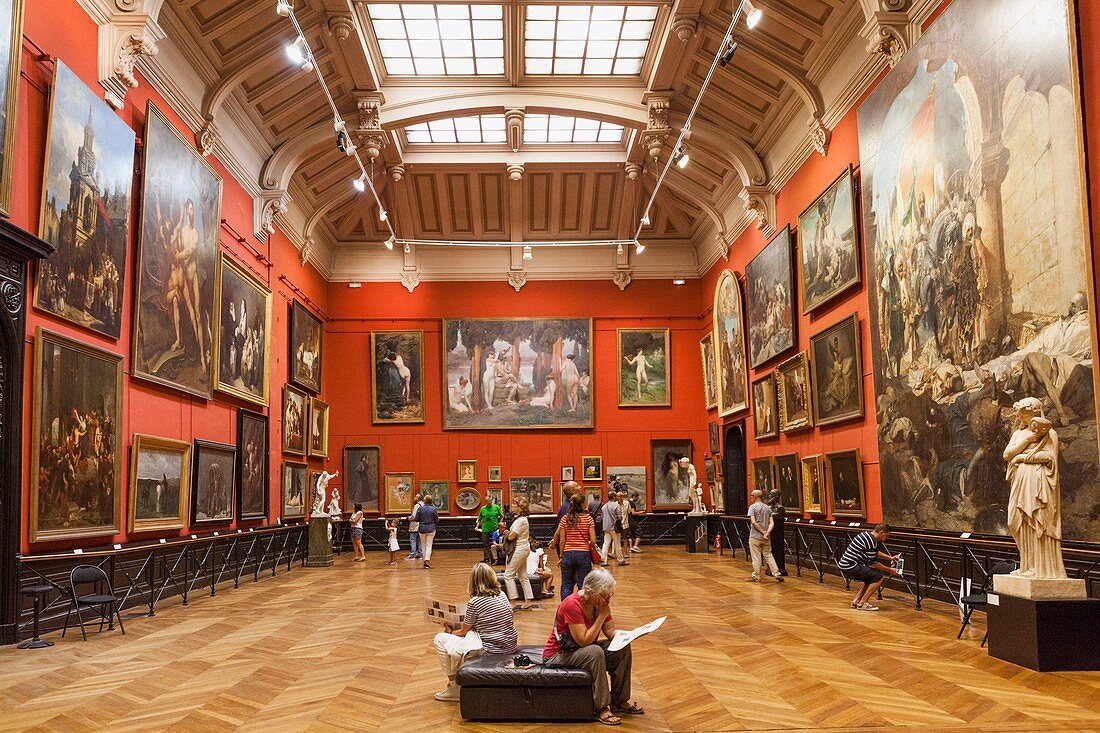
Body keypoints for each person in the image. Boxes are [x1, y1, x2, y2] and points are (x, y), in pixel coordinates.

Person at [543, 569, 644, 725]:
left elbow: (610, 632)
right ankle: (601, 708)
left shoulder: (599, 603)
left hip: (580, 650)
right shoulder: (572, 604)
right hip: (559, 654)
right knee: (595, 651)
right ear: (590, 591)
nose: (607, 600)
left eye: (610, 595)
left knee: (622, 648)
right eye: (604, 596)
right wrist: (602, 616)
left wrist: (631, 634)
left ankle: (619, 701)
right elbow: (583, 641)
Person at [432, 563, 518, 702]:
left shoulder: (475, 602)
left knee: (440, 639)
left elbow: (462, 632)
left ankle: (454, 687)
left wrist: (449, 631)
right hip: (509, 645)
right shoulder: (502, 595)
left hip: (491, 648)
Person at [1004, 398, 1066, 578]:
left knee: (1034, 521)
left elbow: (1051, 457)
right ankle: (1026, 563)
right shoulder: (1018, 434)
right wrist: (1028, 441)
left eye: (1020, 413)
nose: (1017, 417)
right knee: (1014, 521)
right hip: (1020, 480)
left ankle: (1039, 568)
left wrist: (1022, 458)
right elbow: (1007, 454)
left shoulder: (1050, 434)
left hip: (1038, 481)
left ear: (1031, 413)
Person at [838, 523, 901, 610]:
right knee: (879, 577)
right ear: (881, 532)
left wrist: (890, 558)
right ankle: (862, 603)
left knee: (870, 578)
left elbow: (874, 552)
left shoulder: (866, 535)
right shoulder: (871, 540)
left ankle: (856, 601)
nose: (886, 539)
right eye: (886, 536)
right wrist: (890, 570)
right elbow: (874, 563)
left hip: (845, 564)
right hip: (850, 566)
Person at [552, 493, 598, 599]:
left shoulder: (565, 519)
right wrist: (587, 545)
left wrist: (561, 557)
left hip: (567, 553)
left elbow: (562, 541)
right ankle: (581, 608)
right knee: (583, 585)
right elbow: (593, 541)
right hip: (583, 554)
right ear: (582, 504)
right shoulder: (588, 519)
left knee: (567, 584)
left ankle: (566, 608)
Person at [503, 496, 535, 607]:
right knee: (522, 575)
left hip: (519, 549)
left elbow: (511, 537)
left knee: (508, 575)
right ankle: (528, 600)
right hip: (523, 549)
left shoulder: (521, 520)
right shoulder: (521, 519)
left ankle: (513, 600)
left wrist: (506, 532)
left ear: (520, 507)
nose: (512, 506)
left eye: (514, 505)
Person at [746, 489, 783, 583]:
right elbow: (772, 523)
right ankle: (777, 573)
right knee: (769, 555)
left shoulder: (752, 507)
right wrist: (767, 533)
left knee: (756, 557)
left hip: (755, 536)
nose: (750, 497)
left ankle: (756, 576)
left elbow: (753, 522)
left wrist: (762, 532)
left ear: (755, 497)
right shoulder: (767, 507)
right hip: (766, 537)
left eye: (751, 495)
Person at [600, 495, 626, 566]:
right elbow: (620, 516)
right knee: (617, 543)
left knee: (606, 544)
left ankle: (604, 560)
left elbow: (602, 516)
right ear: (614, 497)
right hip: (614, 528)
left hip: (606, 527)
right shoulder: (616, 505)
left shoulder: (604, 506)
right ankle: (620, 560)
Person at [476, 496, 504, 563]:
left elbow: (502, 515)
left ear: (492, 501)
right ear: (485, 502)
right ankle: (486, 558)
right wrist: (477, 526)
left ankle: (495, 558)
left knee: (494, 543)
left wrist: (500, 522)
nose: (489, 503)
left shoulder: (496, 507)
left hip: (494, 529)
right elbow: (479, 519)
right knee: (485, 544)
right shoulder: (483, 509)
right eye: (487, 502)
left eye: (490, 501)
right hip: (485, 529)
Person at [418, 495, 439, 569]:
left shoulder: (420, 508)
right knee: (429, 545)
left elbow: (417, 519)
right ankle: (427, 560)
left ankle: (424, 561)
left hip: (422, 528)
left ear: (425, 500)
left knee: (423, 545)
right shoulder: (433, 509)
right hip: (431, 528)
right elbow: (437, 520)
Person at [406, 493, 423, 560]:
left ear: (418, 498)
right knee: (420, 540)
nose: (414, 498)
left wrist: (408, 518)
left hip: (415, 525)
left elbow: (414, 517)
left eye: (415, 497)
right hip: (421, 525)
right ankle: (420, 554)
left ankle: (412, 555)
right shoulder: (423, 504)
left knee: (413, 540)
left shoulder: (417, 505)